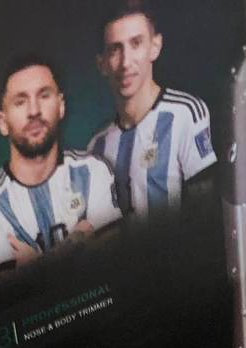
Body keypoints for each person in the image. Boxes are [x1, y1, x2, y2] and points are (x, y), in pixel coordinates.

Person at [0, 55, 122, 287]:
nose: (34, 111)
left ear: (61, 106)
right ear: (3, 122)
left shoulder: (94, 171)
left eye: (44, 95)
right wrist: (75, 244)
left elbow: (114, 262)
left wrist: (32, 269)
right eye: (20, 102)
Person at [86, 3, 216, 220]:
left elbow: (207, 215)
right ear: (102, 64)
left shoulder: (185, 114)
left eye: (136, 44)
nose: (126, 62)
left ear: (155, 47)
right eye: (115, 49)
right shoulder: (96, 147)